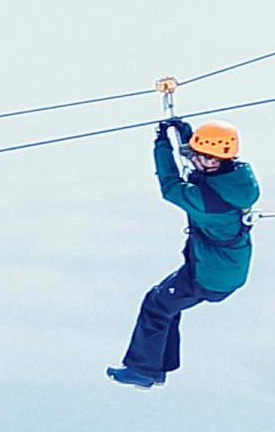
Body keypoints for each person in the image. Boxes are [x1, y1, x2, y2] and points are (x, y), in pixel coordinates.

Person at [108, 117, 260, 388]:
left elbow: (170, 187)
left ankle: (144, 371)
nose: (195, 161)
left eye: (200, 157)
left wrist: (162, 144)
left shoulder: (210, 201)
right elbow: (200, 167)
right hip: (221, 268)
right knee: (165, 303)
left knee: (156, 305)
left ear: (213, 161)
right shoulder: (235, 179)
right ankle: (154, 367)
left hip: (211, 276)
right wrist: (185, 133)